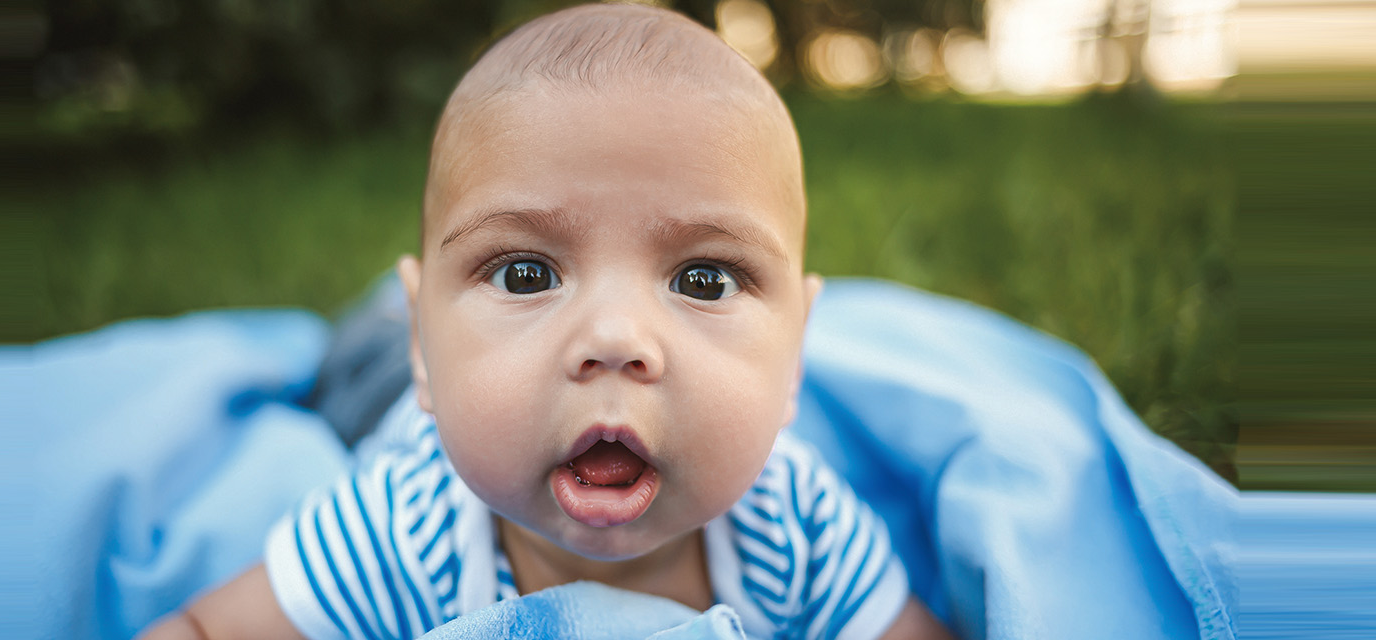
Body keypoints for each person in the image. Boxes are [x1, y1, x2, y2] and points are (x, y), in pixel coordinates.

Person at [140, 4, 951, 638]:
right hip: (387, 376)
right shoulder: (404, 530)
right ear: (433, 348)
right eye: (527, 273)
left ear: (796, 356)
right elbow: (207, 627)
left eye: (704, 279)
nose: (614, 339)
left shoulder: (795, 527)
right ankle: (393, 323)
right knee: (349, 359)